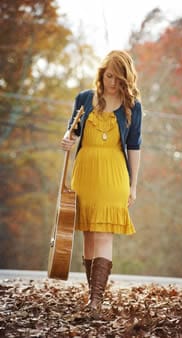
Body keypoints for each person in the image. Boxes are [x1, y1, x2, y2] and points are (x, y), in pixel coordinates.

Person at [61, 50, 142, 315]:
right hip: (85, 172)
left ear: (126, 80)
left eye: (118, 79)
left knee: (104, 232)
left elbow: (134, 147)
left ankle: (96, 300)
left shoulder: (133, 107)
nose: (112, 83)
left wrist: (133, 185)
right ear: (102, 73)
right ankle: (91, 297)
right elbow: (71, 131)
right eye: (109, 76)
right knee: (88, 233)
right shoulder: (84, 98)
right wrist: (66, 140)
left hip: (115, 174)